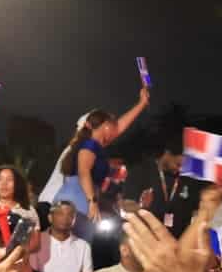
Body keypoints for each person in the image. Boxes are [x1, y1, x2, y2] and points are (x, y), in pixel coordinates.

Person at [52, 93, 150, 238]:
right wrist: (92, 201)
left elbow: (121, 127)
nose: (116, 130)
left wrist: (141, 104)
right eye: (113, 125)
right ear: (105, 126)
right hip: (78, 201)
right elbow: (83, 171)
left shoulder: (94, 145)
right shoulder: (90, 145)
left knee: (78, 247)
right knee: (74, 244)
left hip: (81, 199)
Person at [122, 140, 184, 232]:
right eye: (178, 164)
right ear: (167, 154)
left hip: (169, 235)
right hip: (144, 233)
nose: (179, 169)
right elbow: (127, 205)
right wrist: (142, 207)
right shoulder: (141, 171)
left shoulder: (179, 178)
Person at [32, 200, 93, 272]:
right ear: (50, 217)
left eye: (70, 215)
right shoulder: (36, 240)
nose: (65, 218)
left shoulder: (83, 246)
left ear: (74, 220)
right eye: (60, 214)